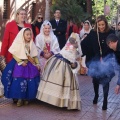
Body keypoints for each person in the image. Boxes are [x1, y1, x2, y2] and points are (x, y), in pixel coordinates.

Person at [36, 32, 82, 110]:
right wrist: (74, 64)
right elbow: (72, 58)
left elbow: (72, 57)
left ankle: (55, 100)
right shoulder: (71, 47)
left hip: (58, 61)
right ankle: (61, 101)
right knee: (62, 82)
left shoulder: (70, 46)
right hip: (63, 64)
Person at [81, 15, 115, 110]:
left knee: (106, 80)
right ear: (97, 25)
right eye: (99, 25)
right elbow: (84, 44)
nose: (101, 27)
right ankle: (96, 95)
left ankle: (105, 100)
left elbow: (115, 45)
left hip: (106, 60)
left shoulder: (111, 33)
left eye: (103, 24)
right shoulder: (93, 33)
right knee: (95, 80)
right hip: (96, 60)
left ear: (106, 24)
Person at [1, 28, 40, 107]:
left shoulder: (32, 44)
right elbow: (14, 54)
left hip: (29, 65)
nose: (29, 36)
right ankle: (19, 98)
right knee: (18, 81)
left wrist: (38, 63)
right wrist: (20, 61)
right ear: (23, 35)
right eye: (27, 35)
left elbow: (34, 55)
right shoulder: (19, 43)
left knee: (29, 81)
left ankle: (26, 98)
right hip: (19, 64)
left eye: (30, 34)